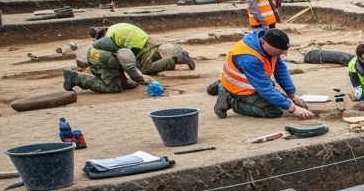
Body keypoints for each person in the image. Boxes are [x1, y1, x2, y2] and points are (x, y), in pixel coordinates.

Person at [206, 27, 314, 120]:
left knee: (283, 101)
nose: (284, 54)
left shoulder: (267, 42)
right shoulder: (249, 59)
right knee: (273, 111)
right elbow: (265, 88)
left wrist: (292, 95)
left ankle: (224, 84)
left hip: (250, 79)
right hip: (242, 87)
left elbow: (280, 69)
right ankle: (230, 99)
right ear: (264, 43)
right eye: (280, 51)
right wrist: (294, 109)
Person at [62, 22, 194, 94]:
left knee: (130, 70)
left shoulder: (115, 41)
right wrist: (142, 79)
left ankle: (122, 82)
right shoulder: (124, 50)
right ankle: (77, 78)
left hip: (104, 58)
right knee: (113, 87)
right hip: (101, 60)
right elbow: (130, 67)